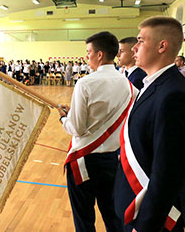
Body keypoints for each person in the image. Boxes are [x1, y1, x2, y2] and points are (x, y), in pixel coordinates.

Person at [114, 16, 185, 232]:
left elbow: (168, 172)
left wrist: (145, 225)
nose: (134, 48)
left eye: (140, 41)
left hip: (151, 218)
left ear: (161, 46)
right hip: (133, 200)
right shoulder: (154, 84)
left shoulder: (173, 94)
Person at [58, 31, 136, 232]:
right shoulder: (130, 87)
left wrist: (63, 118)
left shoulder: (86, 82)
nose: (87, 57)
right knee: (112, 215)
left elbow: (77, 128)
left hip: (84, 160)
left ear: (99, 54)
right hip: (113, 160)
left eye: (88, 52)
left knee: (84, 218)